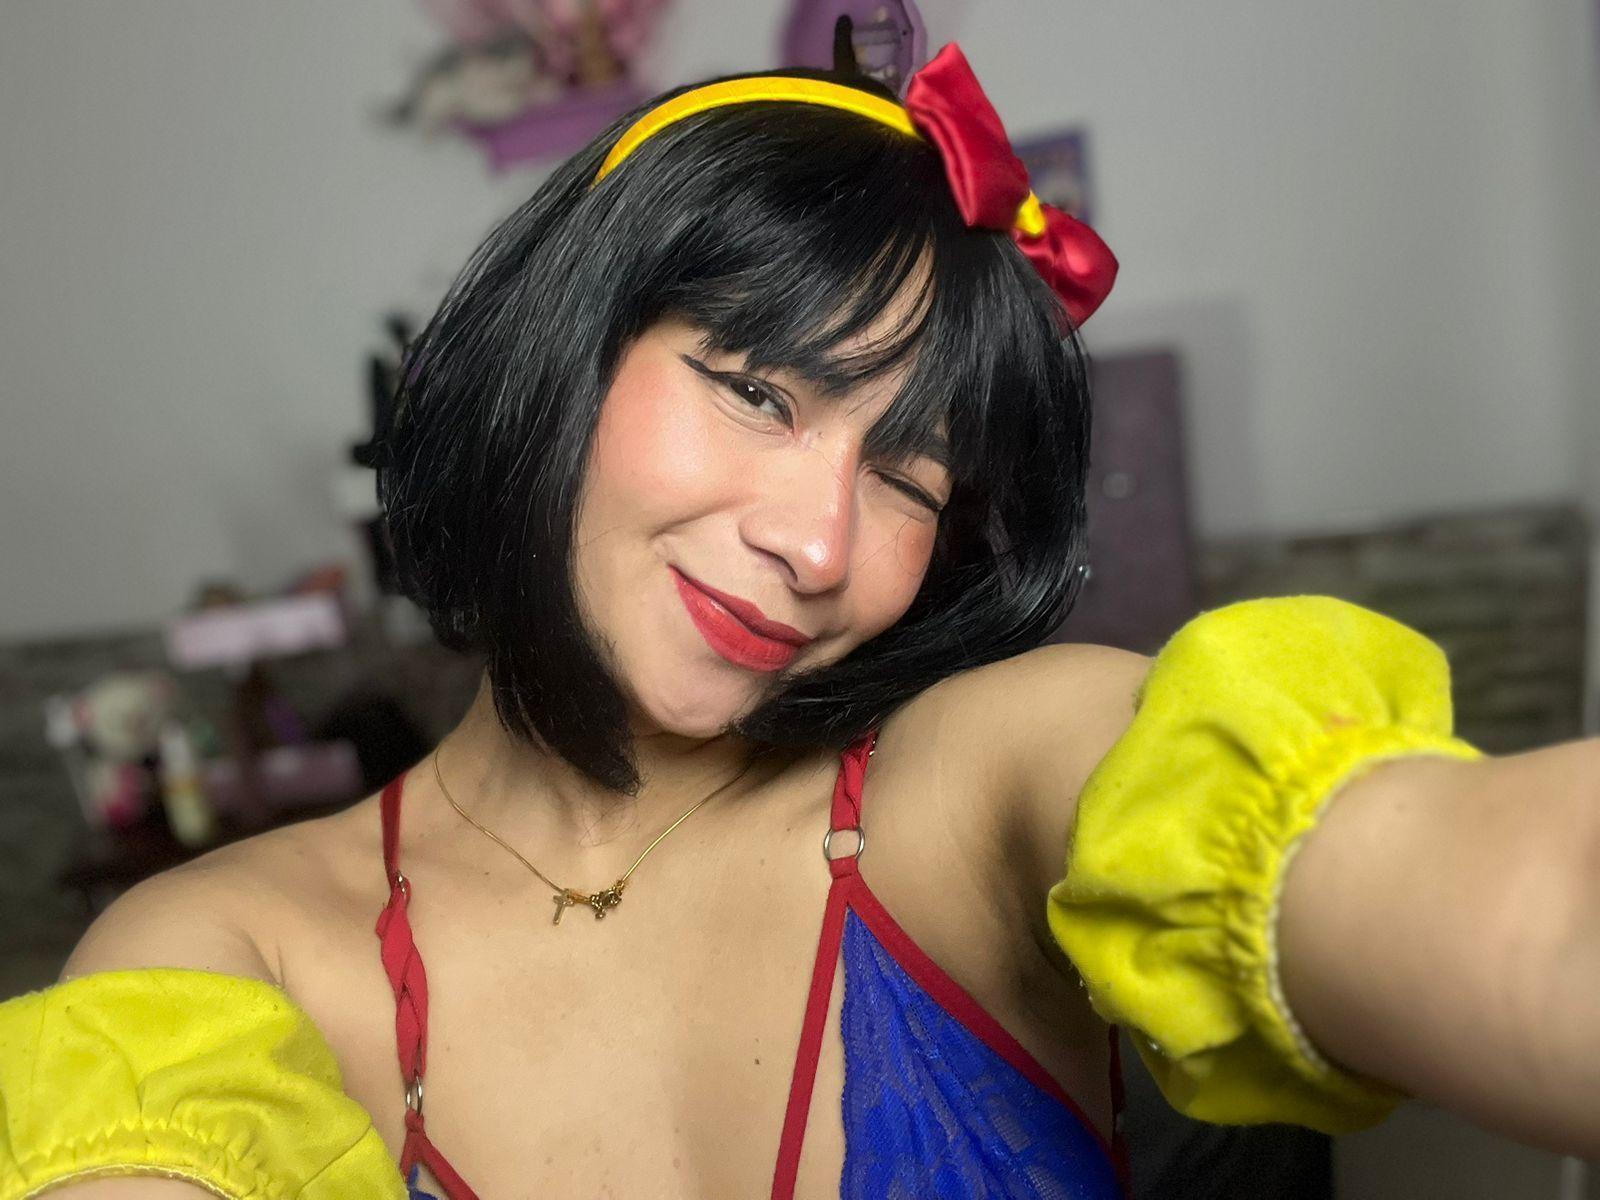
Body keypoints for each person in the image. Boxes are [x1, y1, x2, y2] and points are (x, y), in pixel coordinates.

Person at [2, 43, 1596, 1200]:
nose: (820, 542)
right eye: (759, 392)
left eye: (910, 478)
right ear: (560, 353)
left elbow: (1464, 884)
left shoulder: (976, 783)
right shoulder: (227, 954)